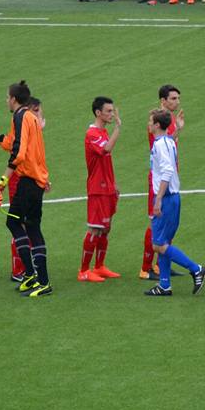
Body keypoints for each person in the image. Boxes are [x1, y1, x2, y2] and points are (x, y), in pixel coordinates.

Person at [0, 81, 52, 298]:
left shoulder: (21, 117)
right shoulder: (27, 118)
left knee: (31, 227)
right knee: (16, 222)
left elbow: (18, 153)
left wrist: (2, 181)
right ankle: (30, 275)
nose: (6, 100)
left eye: (7, 97)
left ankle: (43, 281)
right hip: (34, 179)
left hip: (29, 181)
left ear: (13, 99)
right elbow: (11, 143)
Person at [144, 109, 205, 296]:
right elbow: (169, 143)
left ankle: (196, 269)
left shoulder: (160, 145)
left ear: (157, 125)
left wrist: (157, 200)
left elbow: (167, 171)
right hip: (172, 197)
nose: (148, 124)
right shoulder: (167, 141)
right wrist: (178, 129)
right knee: (163, 242)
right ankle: (165, 285)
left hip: (166, 198)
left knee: (158, 245)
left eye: (150, 121)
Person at [139, 84, 184, 280]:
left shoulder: (169, 120)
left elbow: (169, 143)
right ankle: (145, 268)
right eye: (173, 98)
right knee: (155, 223)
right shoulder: (155, 121)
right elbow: (162, 145)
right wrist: (177, 132)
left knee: (167, 224)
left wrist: (178, 129)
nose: (177, 102)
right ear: (163, 100)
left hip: (169, 179)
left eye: (177, 98)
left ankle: (161, 265)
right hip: (158, 182)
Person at [79, 96, 122, 283]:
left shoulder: (103, 132)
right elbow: (105, 150)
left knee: (106, 228)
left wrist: (114, 184)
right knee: (95, 229)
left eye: (112, 111)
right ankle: (83, 271)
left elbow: (106, 161)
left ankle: (99, 266)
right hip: (97, 188)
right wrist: (118, 129)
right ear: (98, 113)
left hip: (108, 187)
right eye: (108, 111)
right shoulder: (93, 134)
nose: (112, 114)